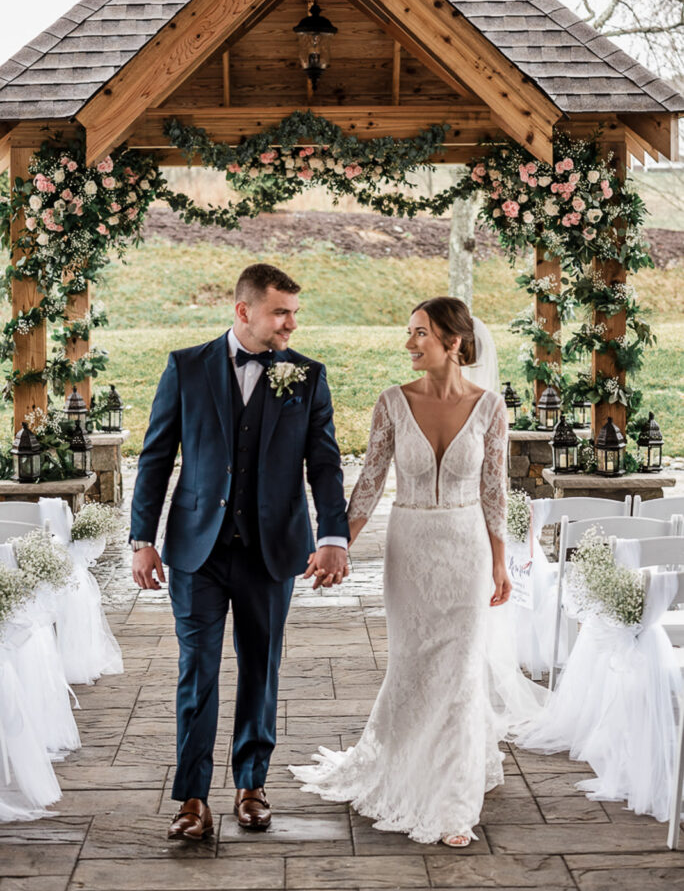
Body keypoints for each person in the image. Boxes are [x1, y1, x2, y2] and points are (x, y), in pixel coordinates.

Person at [292, 296, 534, 847]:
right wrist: (335, 546)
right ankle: (402, 764)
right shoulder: (391, 403)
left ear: (454, 342)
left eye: (420, 334)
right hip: (411, 548)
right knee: (413, 662)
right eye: (409, 333)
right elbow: (371, 482)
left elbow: (494, 490)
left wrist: (500, 561)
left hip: (466, 549)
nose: (409, 344)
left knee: (461, 670)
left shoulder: (491, 406)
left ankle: (452, 800)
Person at [129, 263, 350, 841]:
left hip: (272, 550)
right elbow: (155, 458)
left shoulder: (306, 376)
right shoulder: (186, 367)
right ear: (243, 311)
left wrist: (332, 536)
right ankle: (193, 798)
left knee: (261, 668)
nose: (290, 324)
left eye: (294, 313)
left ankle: (252, 784)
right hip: (196, 549)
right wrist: (141, 540)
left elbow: (324, 465)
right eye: (281, 312)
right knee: (196, 673)